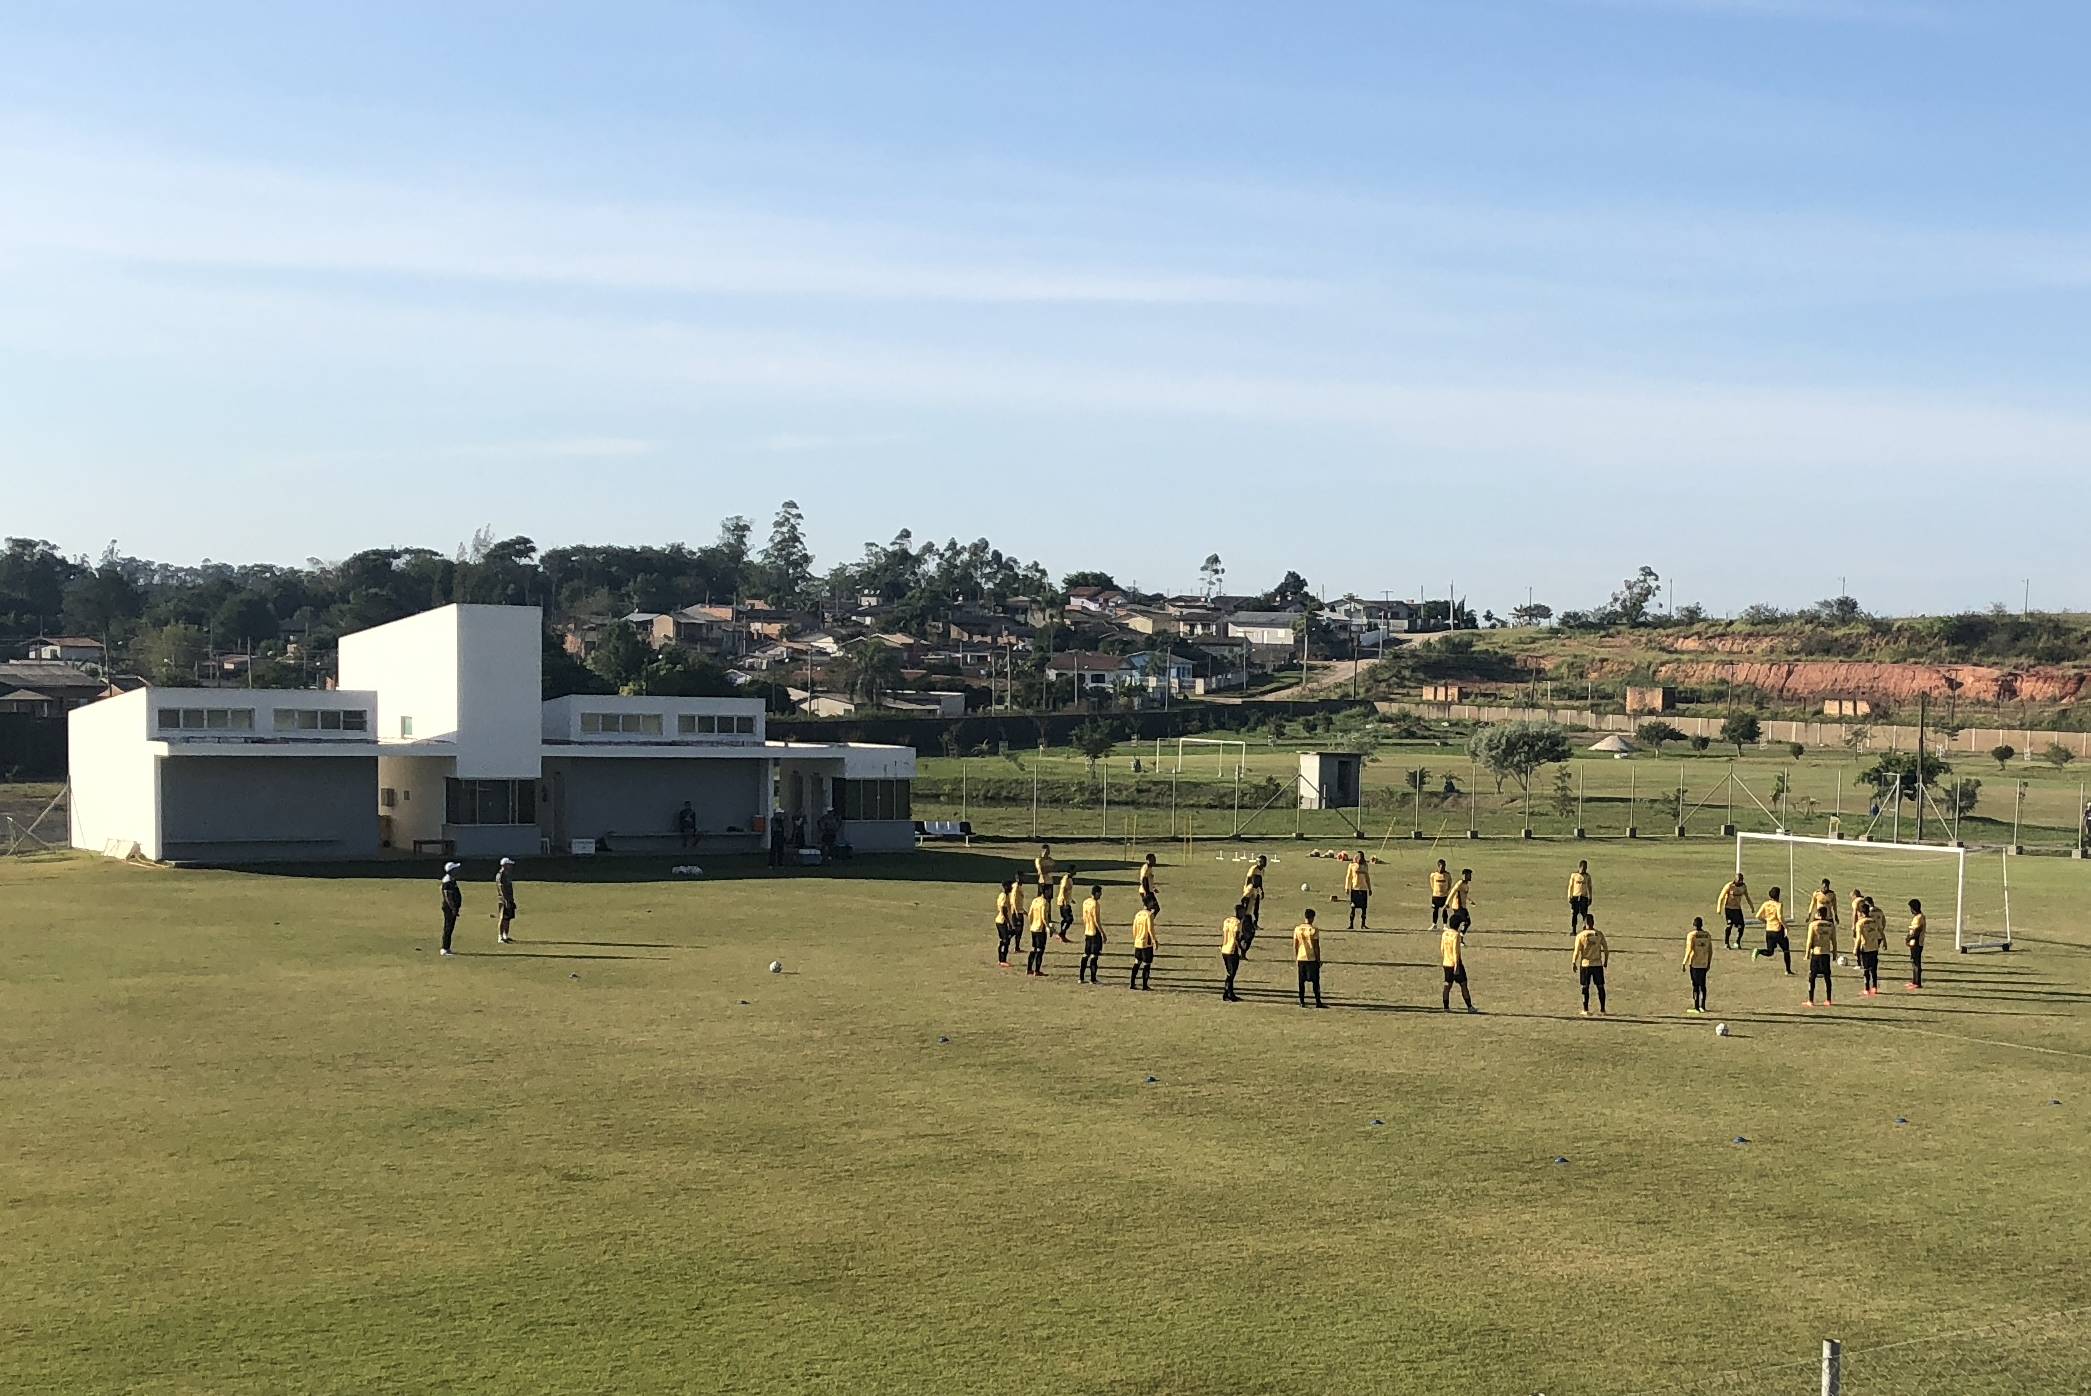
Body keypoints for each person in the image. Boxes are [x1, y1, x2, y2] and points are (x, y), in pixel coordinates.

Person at [1571, 914, 1609, 1016]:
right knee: (1600, 987)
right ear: (1593, 922)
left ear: (1585, 923)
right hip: (1597, 964)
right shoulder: (1599, 934)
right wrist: (1605, 961)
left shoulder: (1581, 935)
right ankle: (1602, 1009)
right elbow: (1606, 949)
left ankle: (1586, 1009)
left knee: (1585, 987)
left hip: (1585, 964)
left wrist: (1574, 962)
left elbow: (1577, 951)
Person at [1853, 896, 1888, 996]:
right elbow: (1881, 930)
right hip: (1874, 946)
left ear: (1862, 912)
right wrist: (1884, 942)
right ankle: (1875, 987)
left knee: (1866, 969)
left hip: (1865, 948)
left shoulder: (1860, 923)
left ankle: (1866, 988)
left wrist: (1855, 949)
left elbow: (1859, 938)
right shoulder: (1874, 921)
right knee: (1874, 969)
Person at [1804, 906, 1839, 1006]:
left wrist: (1807, 954)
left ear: (1818, 914)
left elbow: (1809, 941)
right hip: (1826, 953)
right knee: (1827, 977)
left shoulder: (1813, 925)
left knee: (1812, 977)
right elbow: (1834, 941)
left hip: (1816, 953)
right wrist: (1835, 953)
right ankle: (1828, 999)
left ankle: (1810, 1000)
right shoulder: (1830, 925)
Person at [1441, 915, 1475, 1013]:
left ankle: (1446, 1007)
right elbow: (1456, 952)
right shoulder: (1456, 935)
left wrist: (1445, 959)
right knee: (1463, 984)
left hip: (1446, 963)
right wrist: (1456, 966)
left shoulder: (1445, 934)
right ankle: (1469, 1007)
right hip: (1455, 963)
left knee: (1447, 985)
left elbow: (1442, 949)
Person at [1754, 886, 1793, 974]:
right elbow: (1779, 917)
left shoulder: (1765, 904)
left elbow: (1758, 916)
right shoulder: (1778, 905)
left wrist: (1766, 922)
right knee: (1786, 950)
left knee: (1770, 952)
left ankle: (1759, 951)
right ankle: (1788, 970)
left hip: (1769, 931)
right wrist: (1786, 927)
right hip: (1778, 930)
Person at [1293, 908, 1324, 1008]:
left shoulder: (1297, 929)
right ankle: (1317, 1002)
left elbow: (1295, 944)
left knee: (1301, 981)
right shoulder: (1313, 930)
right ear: (1312, 918)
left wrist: (1296, 957)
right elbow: (1316, 946)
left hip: (1301, 957)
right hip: (1311, 958)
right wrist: (1318, 959)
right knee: (1315, 981)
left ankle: (1302, 1001)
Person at [1681, 915, 1713, 1014]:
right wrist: (1709, 962)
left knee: (1695, 985)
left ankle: (1696, 1007)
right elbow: (1710, 950)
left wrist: (1684, 962)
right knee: (1703, 984)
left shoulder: (1692, 935)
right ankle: (1703, 1005)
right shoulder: (1707, 935)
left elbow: (1690, 949)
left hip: (1694, 963)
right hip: (1704, 962)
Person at [1240, 855, 1267, 957]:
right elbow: (1249, 878)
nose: (1262, 863)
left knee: (1256, 908)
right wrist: (1246, 888)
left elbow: (1259, 881)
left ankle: (1254, 923)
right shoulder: (1254, 869)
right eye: (1260, 861)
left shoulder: (1261, 870)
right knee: (1249, 910)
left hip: (1256, 891)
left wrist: (1262, 890)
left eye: (1263, 861)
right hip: (1251, 891)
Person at [1078, 884, 1106, 983]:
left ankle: (1081, 977)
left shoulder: (1085, 902)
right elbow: (1096, 920)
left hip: (1087, 931)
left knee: (1086, 954)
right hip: (1094, 932)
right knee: (1094, 956)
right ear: (1097, 893)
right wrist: (1102, 933)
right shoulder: (1095, 904)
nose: (1101, 895)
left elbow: (1084, 917)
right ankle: (1092, 979)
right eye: (1100, 893)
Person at [1129, 893, 1158, 991]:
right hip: (1146, 943)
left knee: (1137, 962)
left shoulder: (1138, 914)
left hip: (1138, 942)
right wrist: (1154, 941)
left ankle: (1132, 983)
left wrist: (1136, 938)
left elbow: (1134, 929)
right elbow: (1150, 929)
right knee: (1146, 964)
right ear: (1149, 903)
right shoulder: (1149, 915)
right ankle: (1145, 985)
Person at [1220, 900, 1247, 1002]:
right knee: (1232, 973)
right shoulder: (1238, 923)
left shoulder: (1227, 920)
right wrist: (1241, 947)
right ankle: (1229, 993)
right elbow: (1236, 937)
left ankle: (1227, 993)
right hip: (1232, 950)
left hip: (1224, 948)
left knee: (1229, 972)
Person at [1716, 873, 1750, 950]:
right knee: (1729, 925)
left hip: (1737, 909)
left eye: (1741, 880)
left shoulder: (1743, 886)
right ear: (1735, 879)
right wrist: (1719, 908)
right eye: (1739, 880)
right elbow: (1721, 897)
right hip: (1729, 908)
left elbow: (1747, 896)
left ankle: (1737, 942)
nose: (1740, 881)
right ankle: (1726, 943)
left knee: (1742, 926)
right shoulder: (1729, 886)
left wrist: (1751, 906)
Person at [1024, 887, 1051, 977]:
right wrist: (1048, 927)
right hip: (1040, 929)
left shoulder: (1035, 901)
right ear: (1045, 892)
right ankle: (1037, 970)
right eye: (1048, 891)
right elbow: (1044, 916)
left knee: (1033, 948)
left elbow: (1030, 914)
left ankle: (1029, 969)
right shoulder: (1045, 902)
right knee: (1040, 950)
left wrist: (1032, 924)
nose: (1050, 892)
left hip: (1034, 928)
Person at [438, 860, 463, 956]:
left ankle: (447, 948)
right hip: (449, 908)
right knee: (448, 927)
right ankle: (444, 948)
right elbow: (448, 896)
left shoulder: (452, 879)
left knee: (450, 927)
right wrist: (453, 908)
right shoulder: (447, 881)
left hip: (452, 908)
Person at [1344, 851, 1372, 929]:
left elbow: (1367, 877)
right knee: (1353, 907)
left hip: (1363, 888)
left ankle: (1363, 924)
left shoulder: (1365, 866)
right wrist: (1347, 887)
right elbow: (1348, 877)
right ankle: (1351, 924)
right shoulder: (1352, 865)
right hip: (1354, 889)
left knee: (1364, 907)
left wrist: (1369, 888)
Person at [494, 856, 518, 945]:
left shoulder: (507, 875)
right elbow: (502, 888)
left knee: (508, 918)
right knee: (502, 918)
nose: (510, 866)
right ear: (504, 865)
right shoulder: (500, 875)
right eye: (509, 864)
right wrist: (506, 900)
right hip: (503, 900)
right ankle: (500, 936)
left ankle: (505, 936)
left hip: (509, 899)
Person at [994, 879, 1018, 967]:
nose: (1012, 887)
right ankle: (1002, 960)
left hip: (1000, 921)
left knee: (1003, 940)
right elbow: (1004, 910)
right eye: (1010, 886)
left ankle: (1001, 959)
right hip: (1002, 921)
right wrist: (1009, 923)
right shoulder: (1004, 896)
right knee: (1005, 940)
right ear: (1006, 887)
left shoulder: (1003, 895)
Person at [1567, 859, 1594, 936]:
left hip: (1584, 897)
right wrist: (1569, 896)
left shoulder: (1587, 877)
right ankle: (1573, 930)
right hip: (1575, 897)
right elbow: (1570, 886)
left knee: (1584, 915)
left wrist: (1590, 897)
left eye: (1585, 868)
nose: (1584, 870)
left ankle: (1585, 929)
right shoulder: (1574, 875)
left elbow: (1589, 887)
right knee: (1574, 914)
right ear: (1580, 867)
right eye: (1583, 868)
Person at [1905, 898, 1927, 990]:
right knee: (1914, 962)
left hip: (1917, 943)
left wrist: (1908, 938)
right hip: (1915, 943)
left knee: (1916, 963)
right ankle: (1914, 981)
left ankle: (1917, 982)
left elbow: (1917, 931)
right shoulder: (1918, 917)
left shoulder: (1919, 918)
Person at [1445, 868, 1475, 933]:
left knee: (1458, 923)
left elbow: (1464, 895)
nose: (1470, 877)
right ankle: (1460, 937)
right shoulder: (1460, 883)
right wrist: (1447, 903)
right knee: (1467, 921)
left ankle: (1456, 936)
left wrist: (1470, 901)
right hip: (1459, 906)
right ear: (1464, 875)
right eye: (1469, 875)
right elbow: (1452, 892)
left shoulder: (1466, 885)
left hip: (1462, 907)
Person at [1056, 867, 1078, 942]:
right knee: (1069, 919)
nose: (1076, 871)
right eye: (1074, 870)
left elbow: (1068, 891)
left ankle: (1062, 935)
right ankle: (1061, 933)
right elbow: (1063, 890)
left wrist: (1071, 899)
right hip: (1063, 902)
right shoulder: (1066, 879)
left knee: (1065, 919)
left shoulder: (1070, 879)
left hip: (1066, 901)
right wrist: (1065, 901)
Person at [1428, 858, 1452, 927]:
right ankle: (1434, 924)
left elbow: (1449, 883)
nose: (1442, 868)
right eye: (1441, 867)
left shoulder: (1447, 875)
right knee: (1435, 910)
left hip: (1444, 896)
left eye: (1444, 866)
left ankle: (1445, 925)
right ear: (1438, 866)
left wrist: (1446, 891)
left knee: (1444, 910)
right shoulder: (1434, 875)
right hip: (1435, 896)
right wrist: (1435, 890)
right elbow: (1432, 883)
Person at [1034, 843, 1057, 910]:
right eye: (1046, 851)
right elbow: (1040, 870)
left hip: (1049, 882)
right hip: (1042, 881)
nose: (1048, 853)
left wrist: (1045, 869)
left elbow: (1054, 868)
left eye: (1048, 851)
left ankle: (1048, 915)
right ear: (1042, 851)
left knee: (1048, 900)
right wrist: (1047, 869)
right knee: (1040, 899)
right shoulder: (1039, 860)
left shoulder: (1050, 860)